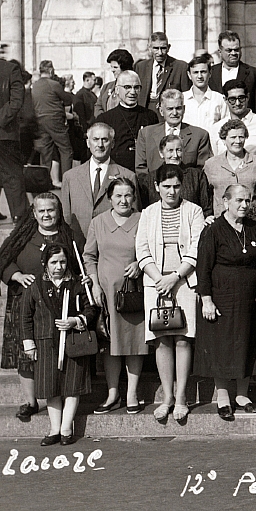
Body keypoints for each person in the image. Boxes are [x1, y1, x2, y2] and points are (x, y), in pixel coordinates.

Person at [0, 193, 78, 421]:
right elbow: (3, 261)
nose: (46, 215)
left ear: (58, 212)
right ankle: (30, 401)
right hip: (23, 300)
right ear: (34, 213)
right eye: (41, 211)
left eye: (51, 210)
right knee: (25, 353)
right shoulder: (23, 236)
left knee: (55, 352)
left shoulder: (69, 236)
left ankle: (59, 397)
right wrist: (16, 275)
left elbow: (78, 264)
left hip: (57, 305)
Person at [135, 164, 207, 426]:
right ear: (156, 187)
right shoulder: (148, 213)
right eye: (166, 186)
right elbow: (142, 249)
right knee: (162, 340)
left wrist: (176, 277)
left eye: (176, 186)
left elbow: (196, 247)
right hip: (155, 283)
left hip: (184, 281)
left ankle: (181, 398)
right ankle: (166, 398)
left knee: (183, 339)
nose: (171, 191)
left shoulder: (194, 210)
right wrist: (159, 280)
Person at [195, 184, 256, 420]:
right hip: (222, 298)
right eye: (238, 200)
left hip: (250, 299)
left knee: (248, 342)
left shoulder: (254, 228)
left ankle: (242, 394)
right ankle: (224, 396)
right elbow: (203, 268)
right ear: (225, 202)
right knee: (222, 346)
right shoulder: (213, 230)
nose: (244, 205)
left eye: (247, 201)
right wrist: (206, 299)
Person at [19, 243, 97, 445]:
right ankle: (54, 429)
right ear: (45, 263)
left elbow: (91, 311)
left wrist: (75, 321)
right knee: (50, 387)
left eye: (62, 261)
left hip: (73, 343)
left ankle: (66, 428)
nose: (59, 266)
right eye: (54, 262)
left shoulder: (78, 284)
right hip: (45, 343)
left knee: (72, 386)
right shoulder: (35, 286)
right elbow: (25, 316)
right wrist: (29, 344)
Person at [82, 177, 147, 414]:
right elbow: (89, 256)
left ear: (134, 197)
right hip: (106, 293)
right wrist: (95, 285)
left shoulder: (143, 220)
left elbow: (152, 248)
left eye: (128, 195)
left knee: (133, 342)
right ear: (110, 198)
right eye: (118, 195)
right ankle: (112, 393)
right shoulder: (98, 222)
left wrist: (140, 263)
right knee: (110, 343)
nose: (123, 200)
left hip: (133, 292)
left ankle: (131, 393)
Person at [60, 122, 135, 240]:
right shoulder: (70, 177)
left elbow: (133, 219)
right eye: (95, 139)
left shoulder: (127, 176)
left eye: (105, 140)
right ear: (88, 143)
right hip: (80, 245)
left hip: (113, 245)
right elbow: (66, 218)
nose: (100, 145)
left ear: (113, 143)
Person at [135, 90, 213, 178]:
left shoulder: (200, 135)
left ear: (184, 109)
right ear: (161, 111)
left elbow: (202, 170)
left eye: (178, 108)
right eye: (170, 109)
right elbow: (141, 169)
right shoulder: (146, 134)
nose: (175, 113)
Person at [202, 118, 256, 218]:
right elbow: (205, 196)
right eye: (233, 137)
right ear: (223, 139)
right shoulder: (211, 165)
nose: (238, 141)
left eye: (241, 137)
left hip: (251, 220)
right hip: (221, 221)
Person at [104, 70, 159, 178]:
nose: (133, 92)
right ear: (117, 90)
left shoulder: (150, 116)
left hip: (144, 175)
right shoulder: (106, 119)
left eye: (136, 87)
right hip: (117, 176)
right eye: (127, 87)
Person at [31, 60, 75, 187]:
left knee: (47, 151)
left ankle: (45, 181)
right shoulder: (53, 84)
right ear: (50, 71)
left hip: (39, 120)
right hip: (55, 120)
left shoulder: (36, 85)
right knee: (65, 149)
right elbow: (67, 99)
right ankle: (68, 181)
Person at [208, 30, 256, 118]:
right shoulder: (211, 73)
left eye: (236, 50)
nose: (233, 53)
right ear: (220, 51)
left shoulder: (253, 74)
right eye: (229, 50)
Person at [210, 81, 256, 159]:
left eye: (241, 98)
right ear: (225, 100)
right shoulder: (216, 128)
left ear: (248, 97)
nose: (237, 103)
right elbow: (215, 159)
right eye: (232, 99)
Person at [183, 53, 227, 130]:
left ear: (210, 73)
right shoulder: (182, 99)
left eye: (203, 72)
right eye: (195, 72)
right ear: (189, 75)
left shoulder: (220, 99)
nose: (199, 76)